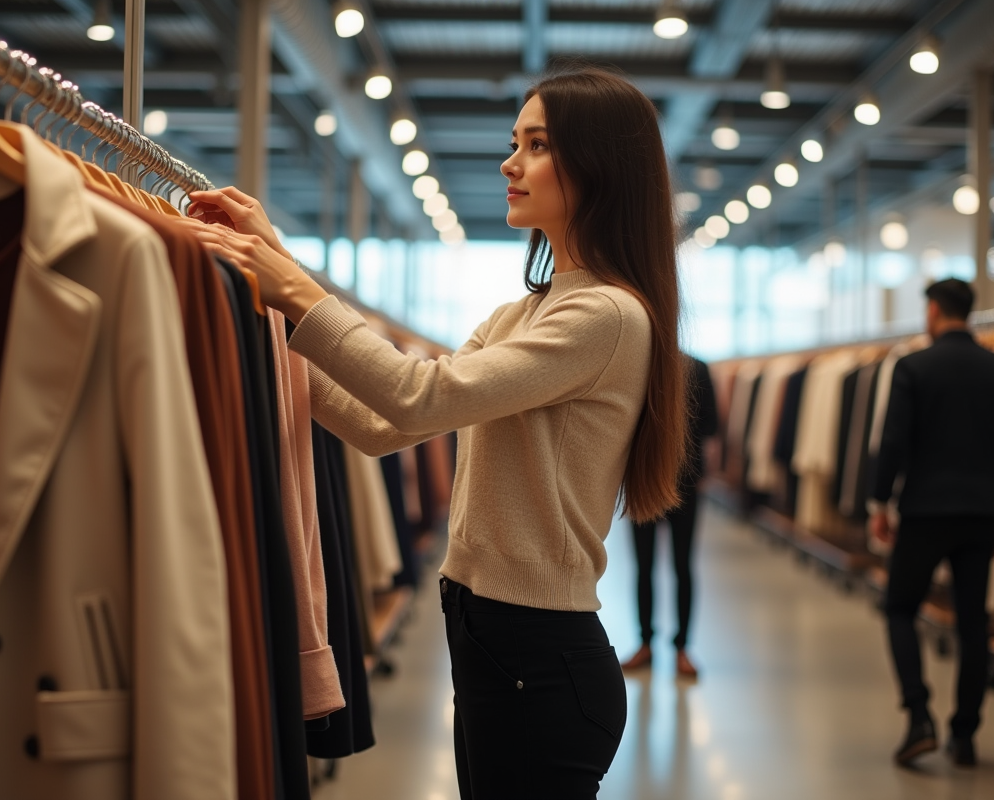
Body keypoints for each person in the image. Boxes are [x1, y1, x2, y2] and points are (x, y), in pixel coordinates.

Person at [179, 65, 687, 800]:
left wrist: (291, 283)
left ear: (599, 164)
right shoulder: (520, 315)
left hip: (540, 658)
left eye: (537, 145)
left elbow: (416, 397)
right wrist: (264, 312)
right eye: (515, 143)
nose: (509, 163)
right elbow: (380, 424)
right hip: (490, 643)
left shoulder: (606, 316)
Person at [868, 278, 994, 769]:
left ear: (934, 312)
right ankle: (965, 734)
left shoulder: (913, 366)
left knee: (900, 608)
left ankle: (919, 715)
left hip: (924, 510)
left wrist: (879, 502)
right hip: (981, 513)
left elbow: (893, 440)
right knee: (973, 621)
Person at [621, 354, 717, 678]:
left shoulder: (696, 368)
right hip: (644, 479)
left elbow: (711, 425)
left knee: (682, 565)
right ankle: (645, 642)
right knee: (644, 565)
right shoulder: (638, 363)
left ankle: (682, 648)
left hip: (685, 481)